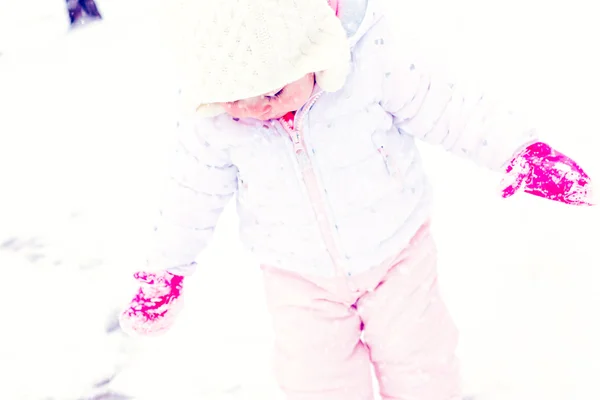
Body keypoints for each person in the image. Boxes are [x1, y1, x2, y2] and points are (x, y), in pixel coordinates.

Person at [119, 1, 595, 399]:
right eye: (231, 98)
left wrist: (518, 149)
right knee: (317, 384)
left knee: (422, 368)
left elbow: (448, 107)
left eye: (270, 90)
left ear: (312, 52)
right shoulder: (214, 119)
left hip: (398, 259)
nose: (253, 110)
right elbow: (190, 194)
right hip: (298, 280)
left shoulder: (371, 62)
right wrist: (167, 270)